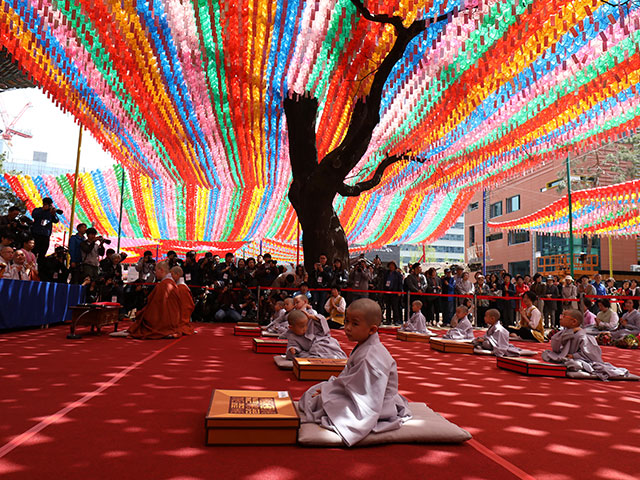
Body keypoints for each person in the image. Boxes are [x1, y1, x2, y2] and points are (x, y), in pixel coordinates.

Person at [297, 299, 412, 447]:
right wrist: (330, 387)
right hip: (361, 392)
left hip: (375, 403)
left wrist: (329, 390)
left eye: (355, 324)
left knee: (315, 402)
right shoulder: (365, 345)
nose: (348, 328)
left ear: (372, 330)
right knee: (316, 392)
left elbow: (364, 393)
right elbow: (351, 378)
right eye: (346, 322)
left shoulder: (370, 356)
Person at [541, 309, 631, 381]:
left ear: (574, 321)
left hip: (580, 360)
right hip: (566, 357)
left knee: (574, 363)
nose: (560, 318)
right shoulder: (564, 332)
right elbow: (555, 346)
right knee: (546, 353)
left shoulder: (583, 335)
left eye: (564, 316)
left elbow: (592, 355)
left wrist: (573, 356)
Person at [125, 261, 182, 339]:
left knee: (145, 316)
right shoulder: (172, 284)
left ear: (161, 270)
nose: (155, 273)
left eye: (156, 271)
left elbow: (153, 305)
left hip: (164, 322)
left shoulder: (164, 285)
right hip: (173, 320)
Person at [282, 310, 346, 361]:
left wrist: (312, 317)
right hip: (312, 352)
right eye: (301, 327)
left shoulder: (311, 325)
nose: (305, 329)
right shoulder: (292, 336)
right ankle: (329, 358)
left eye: (306, 325)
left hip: (323, 343)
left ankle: (334, 357)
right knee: (302, 355)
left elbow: (323, 324)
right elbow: (293, 345)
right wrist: (293, 349)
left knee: (320, 347)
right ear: (291, 327)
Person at [30, 197, 60, 269]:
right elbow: (33, 215)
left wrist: (53, 214)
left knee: (42, 254)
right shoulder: (38, 210)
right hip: (36, 234)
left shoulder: (51, 212)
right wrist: (43, 210)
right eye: (46, 204)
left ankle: (40, 268)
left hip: (46, 236)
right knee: (33, 252)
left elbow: (56, 220)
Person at [383, 261, 404, 325]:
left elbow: (400, 284)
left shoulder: (398, 274)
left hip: (395, 292)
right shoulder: (386, 273)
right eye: (390, 265)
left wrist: (400, 291)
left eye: (392, 265)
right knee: (388, 307)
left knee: (395, 307)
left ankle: (396, 320)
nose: (391, 267)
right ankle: (388, 320)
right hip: (387, 292)